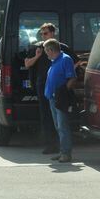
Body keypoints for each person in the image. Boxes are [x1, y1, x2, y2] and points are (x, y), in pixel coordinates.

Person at [24, 23, 71, 154]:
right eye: (41, 33)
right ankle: (51, 145)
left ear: (52, 33)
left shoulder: (61, 48)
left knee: (61, 119)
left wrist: (65, 82)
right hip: (44, 87)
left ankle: (64, 148)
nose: (43, 36)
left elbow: (75, 63)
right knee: (46, 116)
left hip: (60, 89)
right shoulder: (37, 47)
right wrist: (38, 56)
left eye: (45, 33)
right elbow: (27, 64)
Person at [42, 39, 76, 163]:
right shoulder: (54, 61)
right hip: (52, 98)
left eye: (46, 51)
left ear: (51, 50)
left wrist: (62, 93)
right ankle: (62, 151)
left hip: (60, 99)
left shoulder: (65, 59)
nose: (46, 53)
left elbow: (72, 79)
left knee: (62, 126)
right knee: (58, 126)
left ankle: (66, 153)